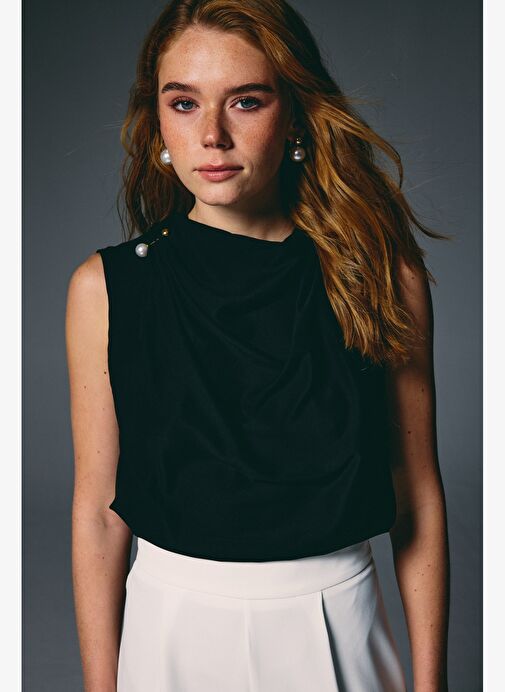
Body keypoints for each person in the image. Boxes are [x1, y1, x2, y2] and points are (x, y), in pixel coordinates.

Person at [65, 1, 450, 690]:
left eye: (245, 101)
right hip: (168, 629)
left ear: (294, 116)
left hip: (337, 626)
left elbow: (415, 494)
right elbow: (98, 509)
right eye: (184, 103)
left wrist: (431, 684)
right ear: (157, 122)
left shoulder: (382, 279)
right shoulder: (106, 288)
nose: (212, 135)